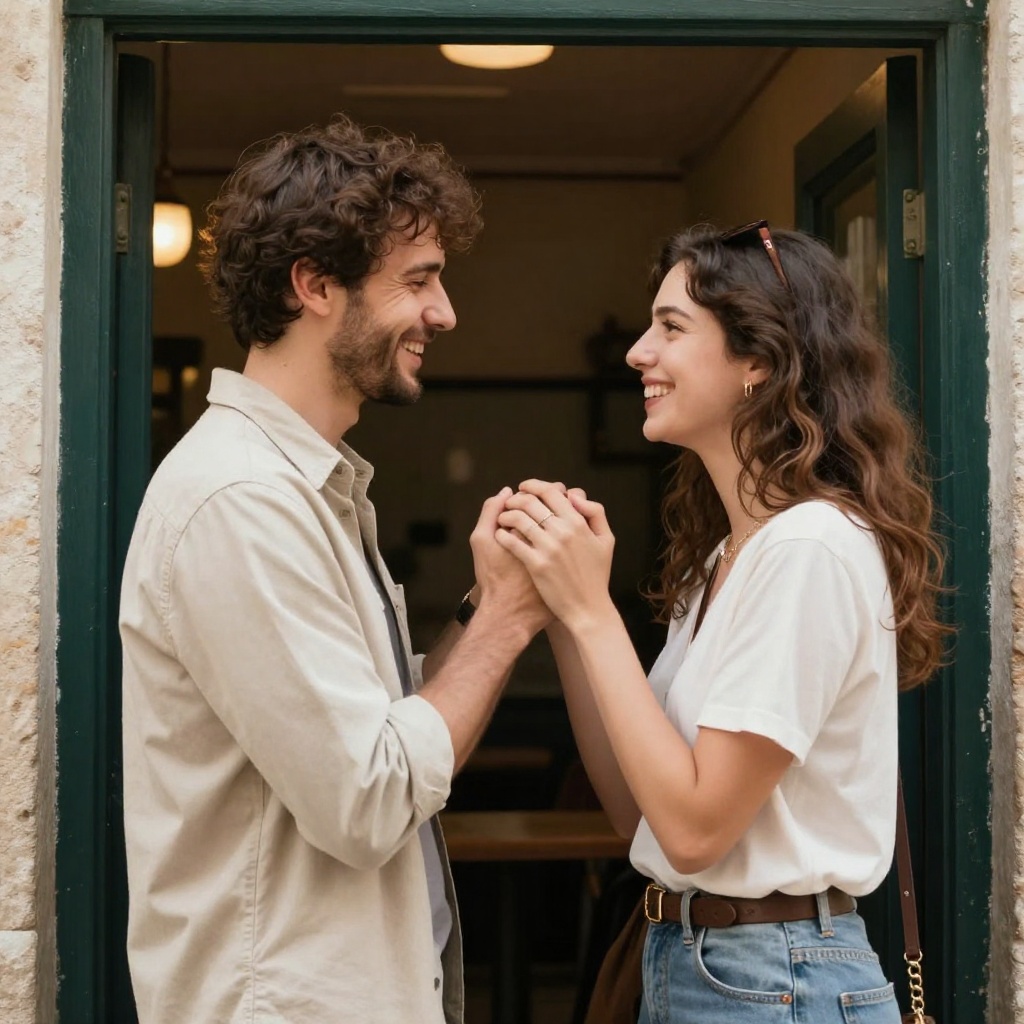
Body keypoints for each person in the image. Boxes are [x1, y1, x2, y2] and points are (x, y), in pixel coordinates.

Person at [118, 116, 548, 1024]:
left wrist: (483, 607)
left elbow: (378, 734)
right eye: (420, 282)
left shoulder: (308, 488)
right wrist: (510, 620)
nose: (445, 313)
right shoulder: (238, 499)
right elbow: (370, 795)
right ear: (314, 285)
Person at [495, 221, 948, 1022]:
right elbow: (648, 818)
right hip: (708, 965)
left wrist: (593, 609)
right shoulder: (724, 562)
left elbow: (699, 832)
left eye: (671, 328)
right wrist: (560, 609)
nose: (639, 352)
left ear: (760, 362)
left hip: (775, 977)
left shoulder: (810, 547)